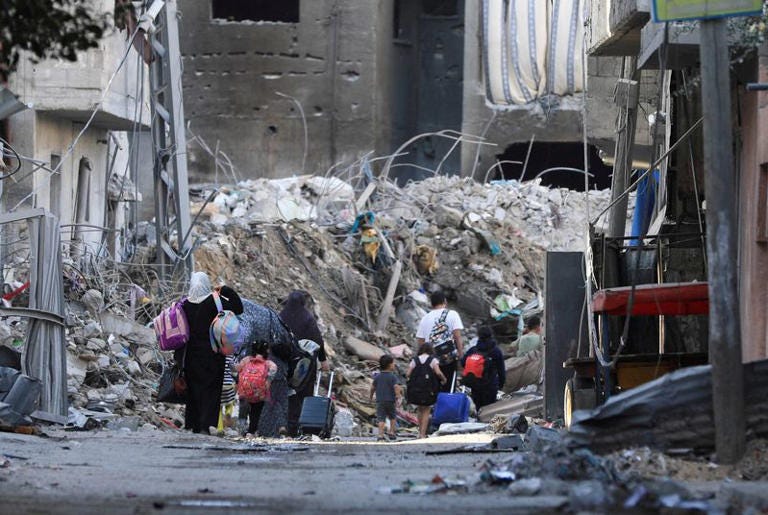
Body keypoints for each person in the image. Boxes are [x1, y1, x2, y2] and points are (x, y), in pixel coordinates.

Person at [175, 271, 243, 434]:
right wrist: (226, 290)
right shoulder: (215, 301)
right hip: (213, 355)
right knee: (211, 391)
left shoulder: (184, 305)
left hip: (190, 357)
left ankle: (193, 426)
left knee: (193, 392)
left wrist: (178, 360)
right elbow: (239, 309)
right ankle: (208, 425)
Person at [237, 298, 292, 438]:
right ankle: (277, 428)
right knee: (274, 404)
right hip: (268, 384)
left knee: (250, 408)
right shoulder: (271, 319)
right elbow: (274, 369)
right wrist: (268, 380)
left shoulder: (248, 359)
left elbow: (237, 367)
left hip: (247, 389)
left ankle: (249, 429)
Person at [280, 290, 330, 437]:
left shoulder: (281, 316)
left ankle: (285, 425)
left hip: (286, 361)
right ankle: (300, 427)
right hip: (305, 364)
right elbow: (317, 340)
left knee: (286, 394)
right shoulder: (308, 318)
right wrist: (323, 359)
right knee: (303, 394)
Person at [416, 291, 464, 392]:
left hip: (432, 360)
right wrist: (461, 356)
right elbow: (458, 337)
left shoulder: (425, 318)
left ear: (431, 304)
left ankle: (434, 406)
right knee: (449, 388)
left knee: (433, 388)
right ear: (445, 301)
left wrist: (421, 361)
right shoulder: (453, 314)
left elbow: (420, 341)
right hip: (450, 359)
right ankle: (445, 406)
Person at [406, 343, 447, 439]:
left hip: (416, 389)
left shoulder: (414, 360)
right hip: (428, 389)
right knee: (426, 410)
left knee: (420, 409)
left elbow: (408, 374)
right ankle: (422, 434)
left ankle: (419, 431)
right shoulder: (433, 360)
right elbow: (438, 373)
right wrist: (444, 379)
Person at [461, 326, 506, 409]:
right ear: (491, 335)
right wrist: (500, 385)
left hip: (475, 385)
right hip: (490, 386)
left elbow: (463, 363)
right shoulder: (496, 351)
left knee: (478, 408)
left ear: (479, 336)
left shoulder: (473, 350)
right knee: (489, 410)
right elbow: (501, 371)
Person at [370, 354, 402, 442]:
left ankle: (380, 434)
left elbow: (372, 388)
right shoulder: (393, 377)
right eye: (393, 363)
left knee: (381, 418)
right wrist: (398, 397)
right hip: (391, 401)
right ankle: (391, 432)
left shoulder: (377, 377)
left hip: (380, 401)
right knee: (392, 416)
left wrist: (371, 396)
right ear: (389, 365)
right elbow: (396, 387)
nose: (394, 365)